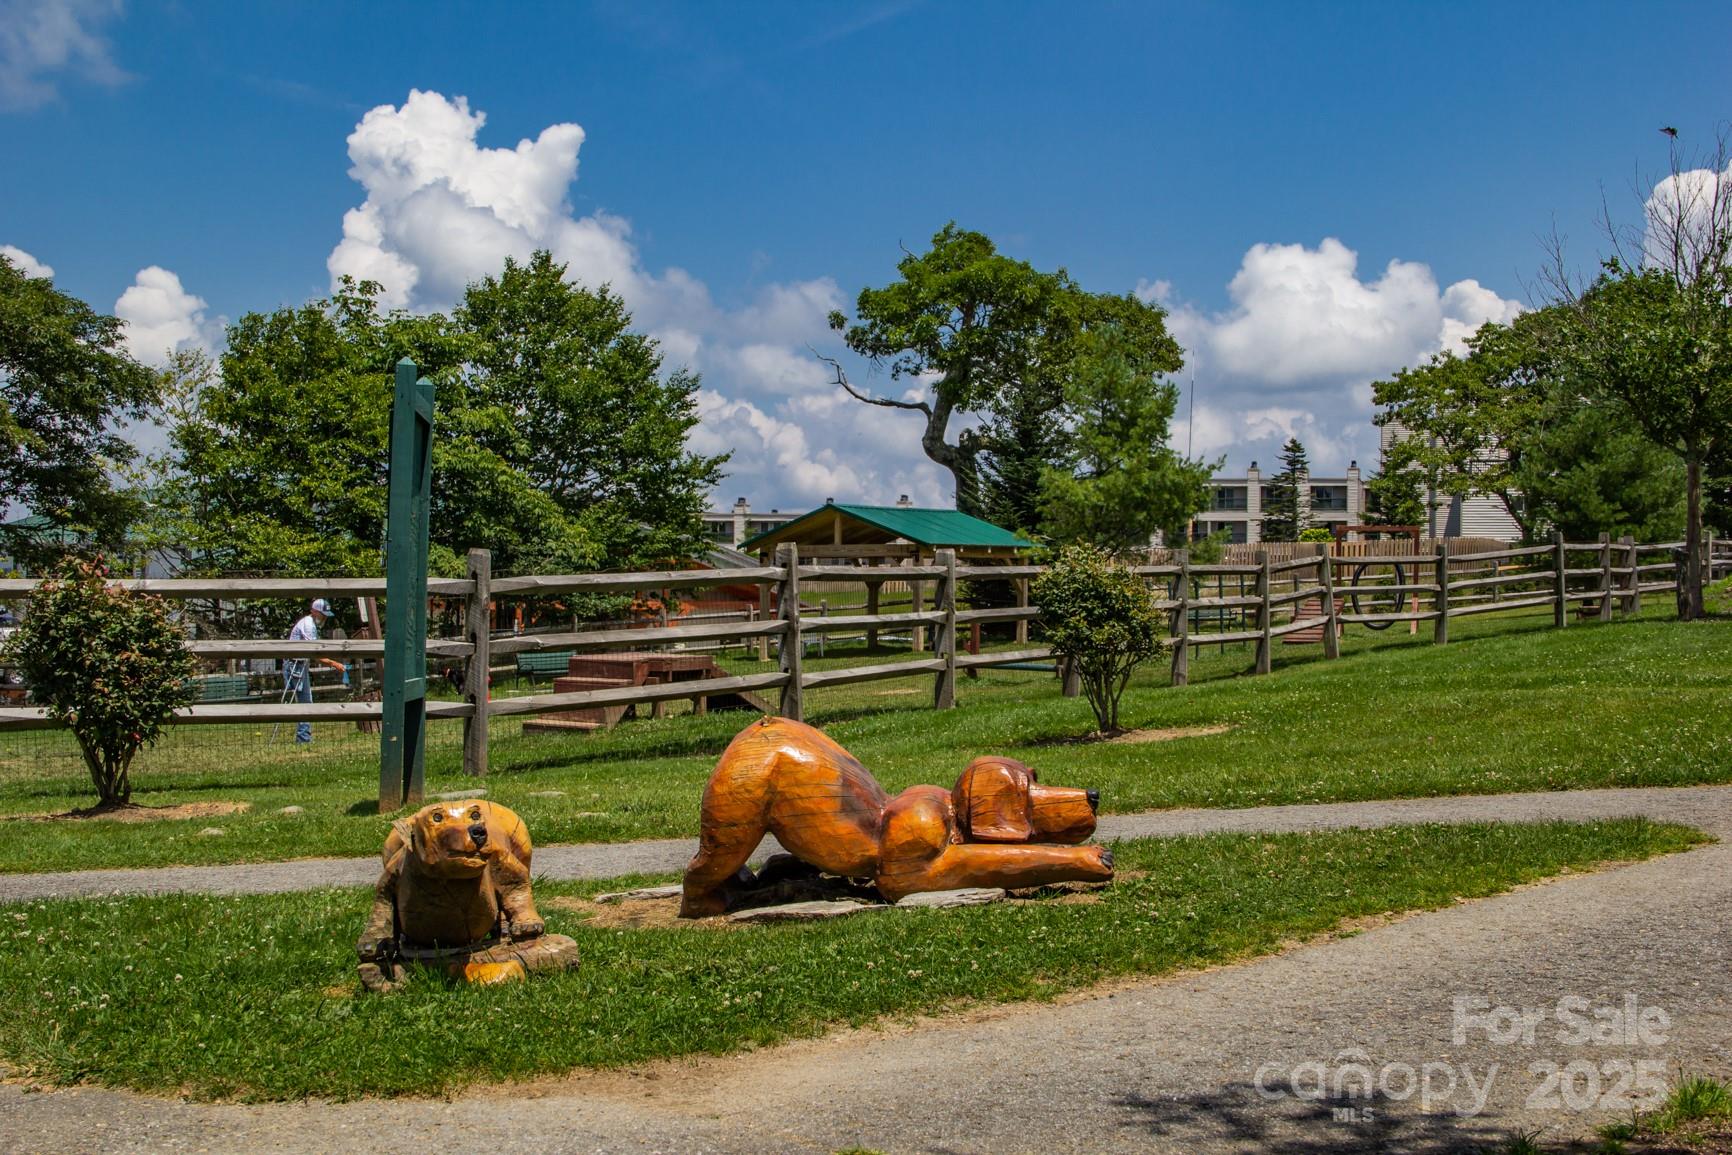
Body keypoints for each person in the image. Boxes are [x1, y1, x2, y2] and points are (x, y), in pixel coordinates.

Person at [284, 599, 346, 744]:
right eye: (322, 614)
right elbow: (314, 652)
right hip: (295, 665)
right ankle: (303, 739)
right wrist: (333, 663)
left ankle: (304, 737)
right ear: (314, 611)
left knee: (306, 700)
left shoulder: (310, 624)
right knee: (305, 701)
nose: (324, 618)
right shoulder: (308, 625)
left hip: (300, 663)